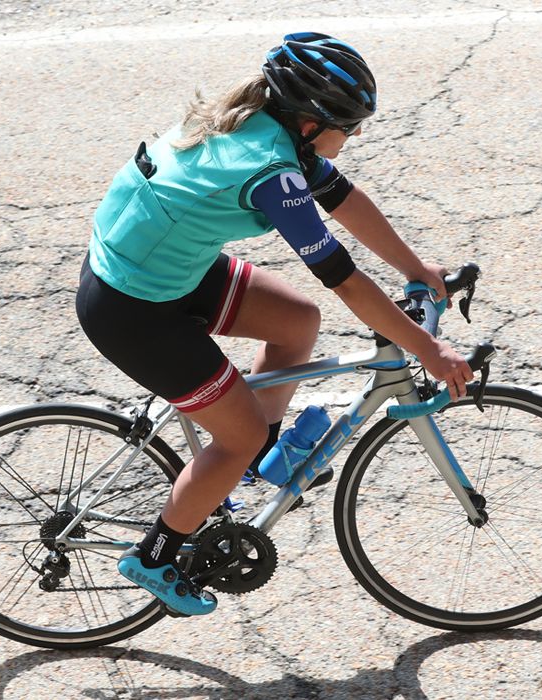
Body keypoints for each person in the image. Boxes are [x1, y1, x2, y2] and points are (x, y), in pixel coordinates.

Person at [75, 32, 474, 616]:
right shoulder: (270, 171)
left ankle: (260, 457)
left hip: (160, 270)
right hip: (132, 308)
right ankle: (155, 556)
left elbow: (345, 200)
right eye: (351, 123)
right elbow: (346, 281)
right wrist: (428, 349)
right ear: (309, 122)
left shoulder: (269, 126)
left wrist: (418, 269)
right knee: (234, 436)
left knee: (296, 322)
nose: (357, 134)